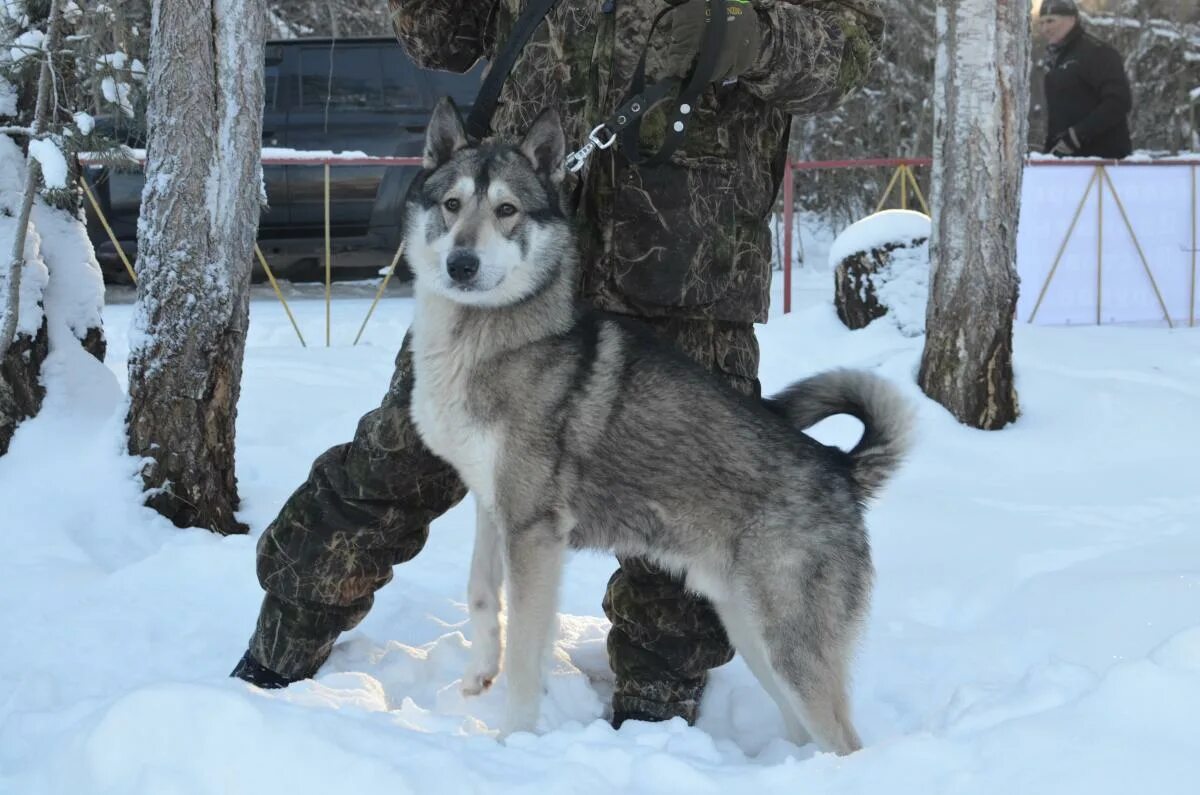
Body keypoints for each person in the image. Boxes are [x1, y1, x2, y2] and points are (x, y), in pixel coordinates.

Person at [233, 0, 884, 729]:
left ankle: (656, 721)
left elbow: (849, 48)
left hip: (686, 267)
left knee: (695, 509)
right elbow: (440, 36)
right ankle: (278, 651)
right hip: (506, 262)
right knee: (394, 461)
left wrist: (750, 34)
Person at [1038, 0, 1132, 159]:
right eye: (1041, 23)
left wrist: (1076, 136)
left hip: (1103, 162)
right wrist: (1050, 151)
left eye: (1051, 21)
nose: (1045, 28)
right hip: (1067, 161)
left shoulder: (1097, 52)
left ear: (1071, 19)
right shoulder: (1056, 60)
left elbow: (1118, 101)